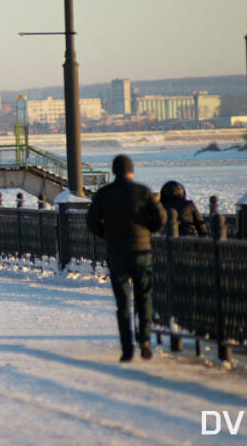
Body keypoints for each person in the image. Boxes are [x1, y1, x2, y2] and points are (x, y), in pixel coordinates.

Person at [86, 155, 167, 362]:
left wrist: (107, 234)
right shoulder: (143, 191)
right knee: (144, 297)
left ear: (114, 171)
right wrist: (147, 231)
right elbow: (161, 218)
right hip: (141, 252)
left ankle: (127, 348)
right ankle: (145, 339)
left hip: (117, 253)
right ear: (131, 171)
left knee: (123, 303)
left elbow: (92, 221)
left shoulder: (104, 194)